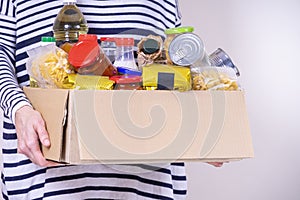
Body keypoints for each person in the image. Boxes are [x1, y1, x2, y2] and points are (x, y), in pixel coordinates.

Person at [0, 0, 222, 199]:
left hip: (143, 184)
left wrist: (200, 124)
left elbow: (174, 66)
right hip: (43, 180)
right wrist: (18, 107)